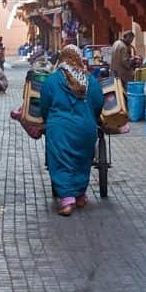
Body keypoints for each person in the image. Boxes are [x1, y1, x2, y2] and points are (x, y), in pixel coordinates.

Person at [40, 45, 104, 216]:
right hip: (86, 128)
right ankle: (81, 195)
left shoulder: (52, 80)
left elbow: (44, 105)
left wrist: (47, 120)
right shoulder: (89, 80)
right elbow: (98, 102)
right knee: (83, 161)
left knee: (61, 162)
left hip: (60, 129)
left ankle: (67, 200)